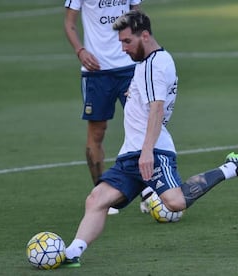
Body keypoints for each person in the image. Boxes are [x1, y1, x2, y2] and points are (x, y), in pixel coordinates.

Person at [60, 10, 238, 268]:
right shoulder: (150, 64)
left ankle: (232, 167)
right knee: (96, 200)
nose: (123, 48)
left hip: (153, 151)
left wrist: (147, 151)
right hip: (131, 154)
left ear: (145, 36)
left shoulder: (153, 65)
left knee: (175, 202)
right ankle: (72, 253)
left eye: (127, 42)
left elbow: (157, 109)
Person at [64, 0, 154, 215]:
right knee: (97, 131)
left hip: (130, 67)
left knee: (143, 127)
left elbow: (138, 16)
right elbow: (69, 23)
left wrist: (144, 51)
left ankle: (150, 191)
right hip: (97, 70)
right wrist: (80, 51)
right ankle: (101, 193)